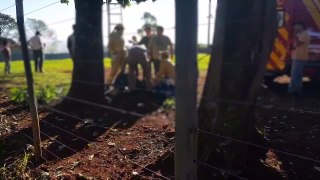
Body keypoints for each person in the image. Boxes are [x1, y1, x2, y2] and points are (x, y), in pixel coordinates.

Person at [288, 22, 311, 94]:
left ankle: (295, 92)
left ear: (301, 26)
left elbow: (298, 43)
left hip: (300, 57)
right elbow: (296, 45)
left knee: (296, 75)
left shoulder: (305, 34)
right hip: (296, 57)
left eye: (297, 26)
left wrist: (295, 36)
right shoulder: (300, 34)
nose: (295, 28)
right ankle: (294, 91)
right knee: (295, 75)